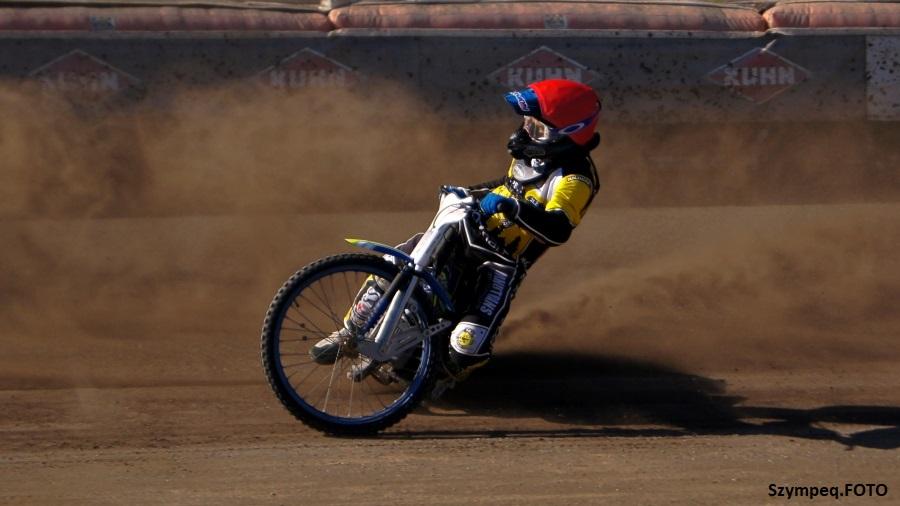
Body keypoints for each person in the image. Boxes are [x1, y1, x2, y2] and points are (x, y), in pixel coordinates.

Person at [311, 78, 602, 382]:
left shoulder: (575, 180)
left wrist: (513, 209)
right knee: (395, 265)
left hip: (500, 264)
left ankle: (440, 376)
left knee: (466, 348)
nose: (526, 131)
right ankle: (348, 333)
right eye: (528, 122)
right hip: (466, 231)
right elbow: (507, 185)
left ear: (570, 132)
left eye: (538, 128)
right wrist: (470, 191)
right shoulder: (534, 154)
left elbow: (558, 229)